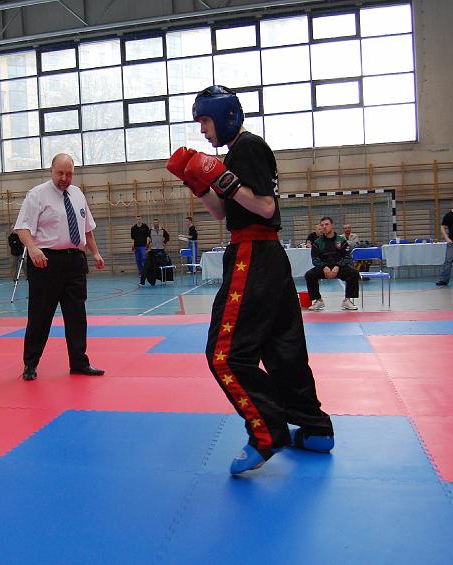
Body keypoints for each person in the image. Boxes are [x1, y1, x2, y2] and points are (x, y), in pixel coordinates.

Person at [166, 85, 333, 475]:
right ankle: (314, 429)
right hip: (265, 257)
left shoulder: (248, 147)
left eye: (205, 121)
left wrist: (221, 177)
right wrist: (198, 182)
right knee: (283, 348)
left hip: (252, 255)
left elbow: (265, 206)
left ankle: (266, 430)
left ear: (226, 116)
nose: (203, 130)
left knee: (224, 355)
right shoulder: (236, 153)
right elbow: (223, 213)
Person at [14, 153, 105, 381]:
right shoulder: (37, 194)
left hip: (75, 261)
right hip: (45, 261)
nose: (64, 178)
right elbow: (22, 228)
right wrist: (33, 249)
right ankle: (30, 364)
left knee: (77, 316)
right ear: (51, 171)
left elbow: (87, 229)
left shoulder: (78, 194)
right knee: (40, 316)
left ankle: (79, 362)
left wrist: (95, 253)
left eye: (69, 174)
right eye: (60, 173)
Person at [305, 216, 361, 311]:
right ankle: (318, 300)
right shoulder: (317, 243)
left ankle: (347, 300)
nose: (324, 227)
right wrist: (324, 267)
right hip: (324, 268)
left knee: (354, 273)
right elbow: (314, 259)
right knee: (309, 275)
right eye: (322, 225)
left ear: (332, 225)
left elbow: (347, 257)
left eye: (326, 224)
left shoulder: (341, 240)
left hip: (339, 268)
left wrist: (337, 266)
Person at [130, 215, 150, 281]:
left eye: (139, 219)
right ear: (136, 220)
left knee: (144, 259)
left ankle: (146, 272)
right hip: (136, 246)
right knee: (138, 260)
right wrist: (132, 246)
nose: (138, 220)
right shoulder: (133, 228)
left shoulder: (145, 226)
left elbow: (148, 236)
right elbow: (132, 238)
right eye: (137, 219)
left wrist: (147, 244)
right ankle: (141, 273)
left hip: (143, 246)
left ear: (141, 219)